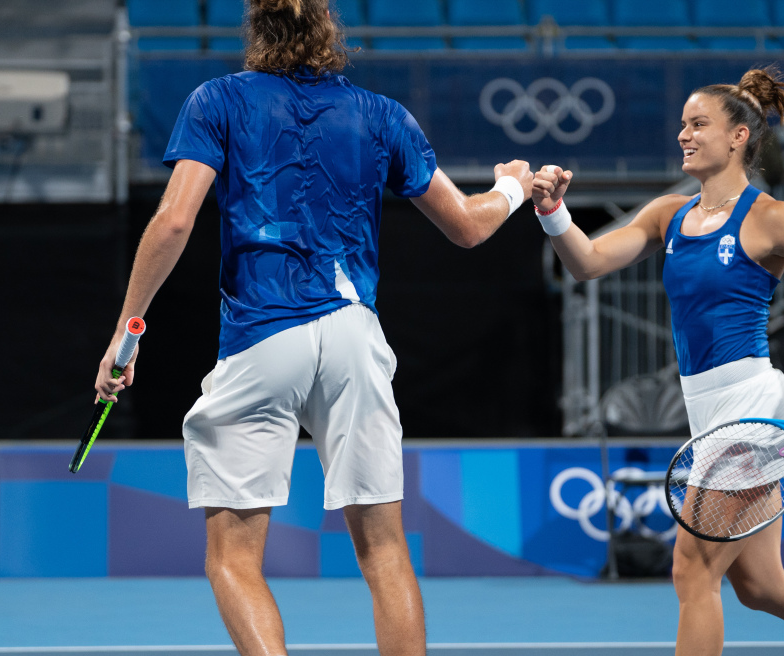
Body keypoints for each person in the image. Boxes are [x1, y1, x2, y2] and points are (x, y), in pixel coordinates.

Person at [93, 1, 533, 654]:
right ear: (329, 31)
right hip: (354, 336)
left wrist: (126, 336)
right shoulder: (384, 115)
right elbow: (469, 225)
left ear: (257, 30)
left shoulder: (216, 100)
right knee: (385, 550)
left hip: (262, 338)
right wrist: (514, 187)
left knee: (233, 559)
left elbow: (175, 222)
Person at [530, 67, 784, 656]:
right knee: (763, 587)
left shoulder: (774, 218)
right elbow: (588, 262)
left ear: (739, 137)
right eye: (682, 126)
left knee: (692, 570)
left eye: (699, 124)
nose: (684, 135)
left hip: (751, 409)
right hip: (708, 412)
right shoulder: (667, 215)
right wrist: (553, 212)